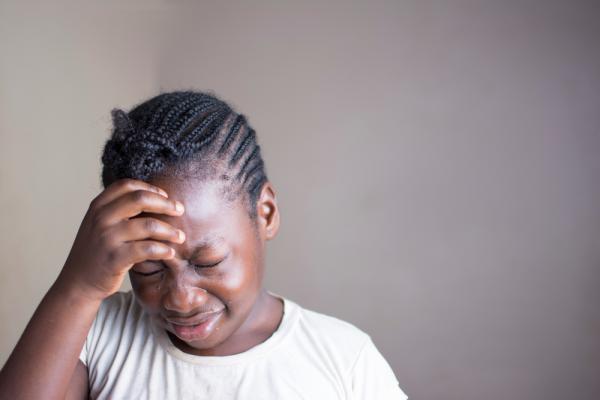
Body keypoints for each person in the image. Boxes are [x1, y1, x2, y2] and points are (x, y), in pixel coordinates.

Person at [0, 90, 408, 399]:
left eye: (207, 261)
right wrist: (78, 287)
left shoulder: (343, 359)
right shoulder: (98, 335)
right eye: (149, 268)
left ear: (264, 213)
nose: (180, 298)